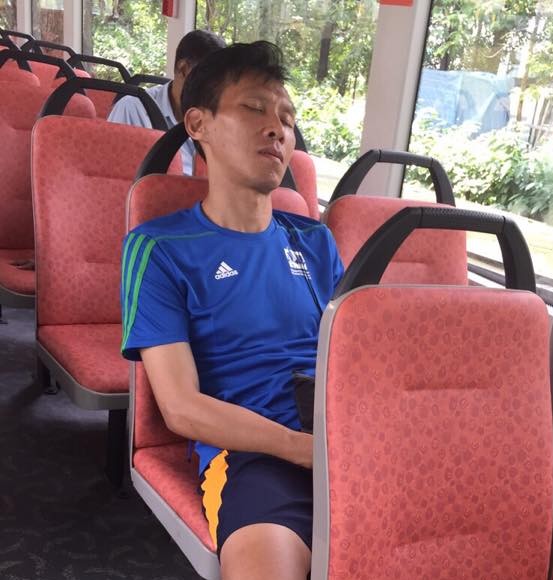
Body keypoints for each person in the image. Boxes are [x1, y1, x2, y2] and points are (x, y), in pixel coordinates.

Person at [120, 41, 344, 580]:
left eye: (287, 118)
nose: (277, 129)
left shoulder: (315, 242)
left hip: (345, 437)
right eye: (255, 108)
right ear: (198, 123)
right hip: (253, 456)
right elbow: (181, 408)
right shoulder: (160, 247)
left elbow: (359, 362)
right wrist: (303, 450)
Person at [107, 29, 226, 174]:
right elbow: (112, 176)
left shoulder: (220, 119)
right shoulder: (133, 109)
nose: (215, 91)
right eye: (210, 81)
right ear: (183, 69)